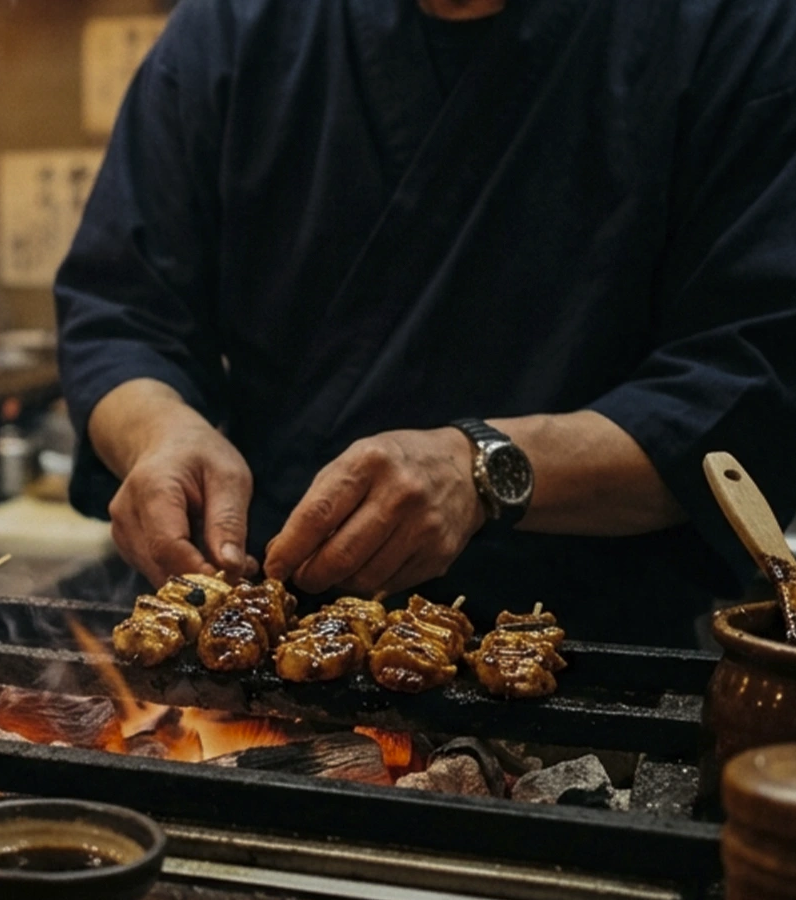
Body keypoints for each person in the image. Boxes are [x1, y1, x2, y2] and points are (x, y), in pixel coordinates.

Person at [56, 0, 796, 647]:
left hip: (583, 658)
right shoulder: (233, 26)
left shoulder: (733, 28)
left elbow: (750, 383)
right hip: (258, 632)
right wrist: (159, 433)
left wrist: (483, 469)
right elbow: (120, 310)